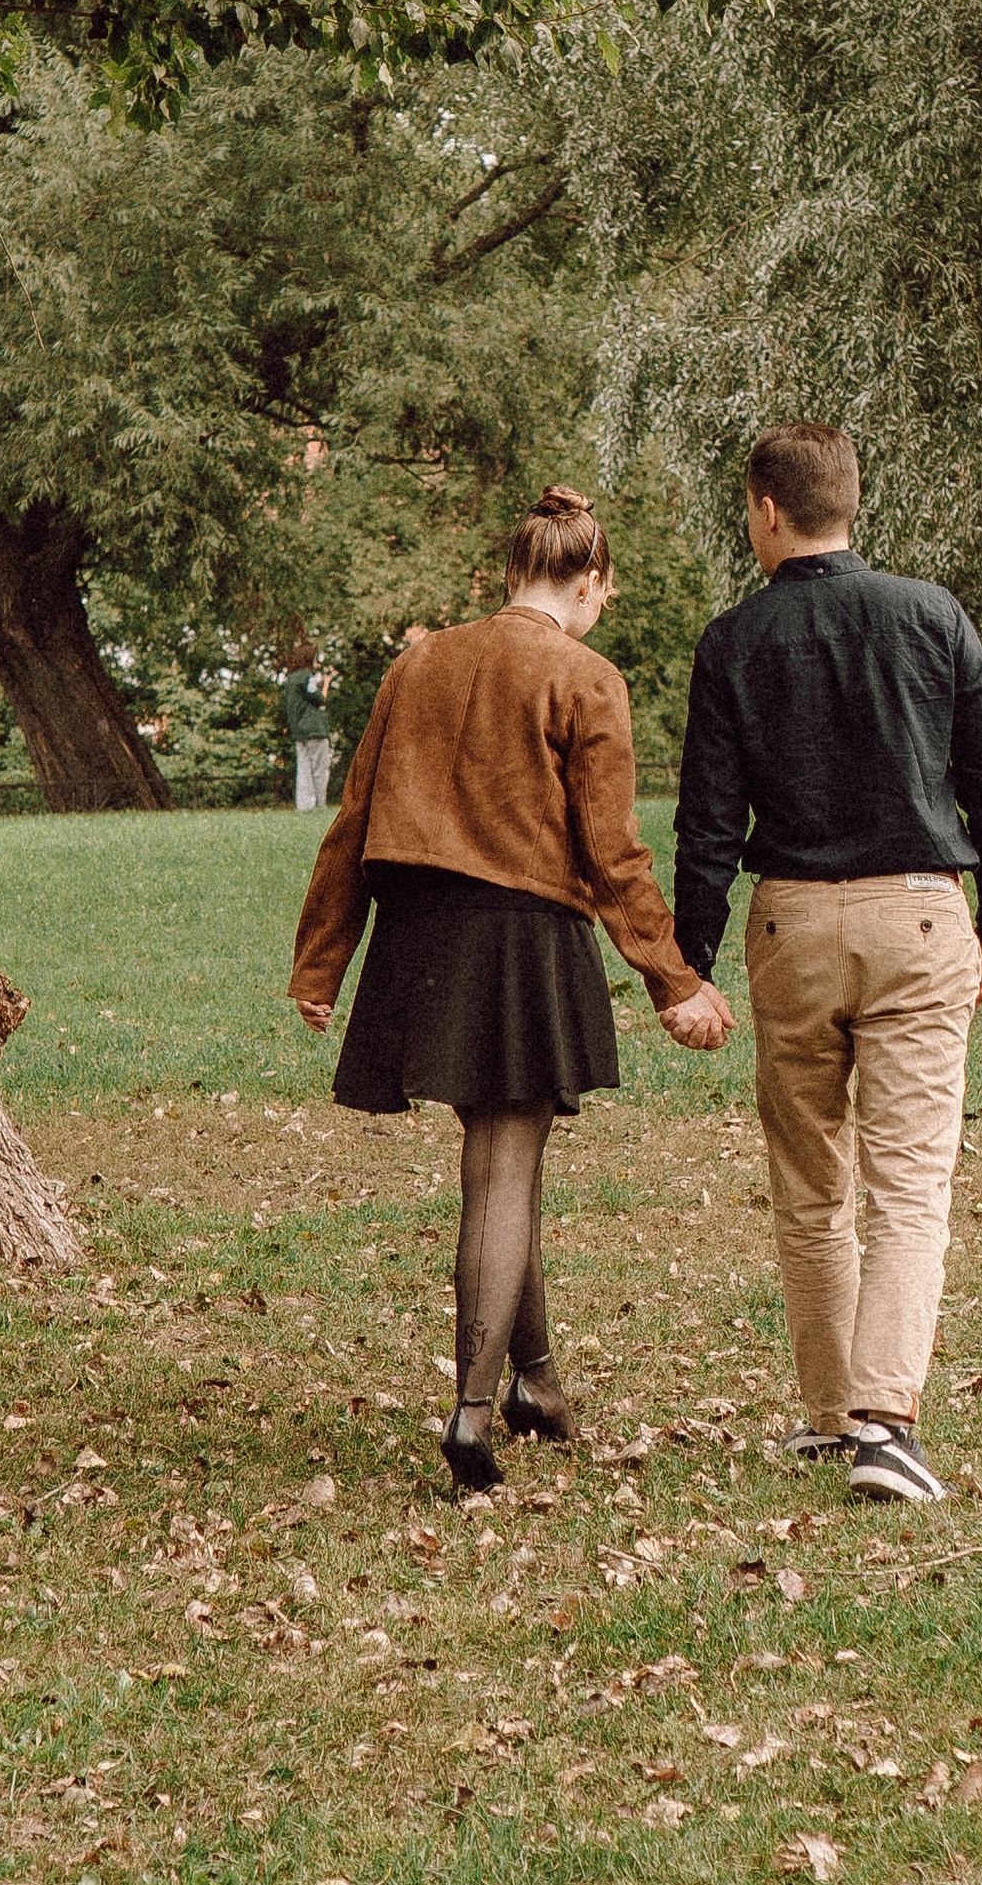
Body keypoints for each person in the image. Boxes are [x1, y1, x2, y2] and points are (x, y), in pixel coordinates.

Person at [291, 487, 732, 1494]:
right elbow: (612, 852)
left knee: (501, 1162)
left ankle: (534, 1383)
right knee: (503, 1169)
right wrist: (674, 982)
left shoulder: (417, 664)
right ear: (586, 582)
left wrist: (323, 961)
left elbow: (352, 819)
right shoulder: (584, 676)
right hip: (523, 939)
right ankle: (470, 1411)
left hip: (417, 941)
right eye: (603, 595)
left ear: (509, 573)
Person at [673, 422, 982, 1507]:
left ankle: (833, 1415)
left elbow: (706, 823)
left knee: (809, 1180)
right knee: (910, 1181)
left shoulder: (733, 641)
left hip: (789, 926)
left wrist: (689, 960)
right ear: (848, 505)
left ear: (767, 511)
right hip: (921, 916)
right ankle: (884, 1421)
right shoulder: (931, 615)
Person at [279, 647, 334, 811]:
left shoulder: (291, 679)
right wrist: (327, 684)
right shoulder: (306, 676)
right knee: (319, 770)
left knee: (303, 770)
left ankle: (304, 806)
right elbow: (320, 699)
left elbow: (304, 694)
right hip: (315, 730)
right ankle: (319, 804)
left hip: (299, 731)